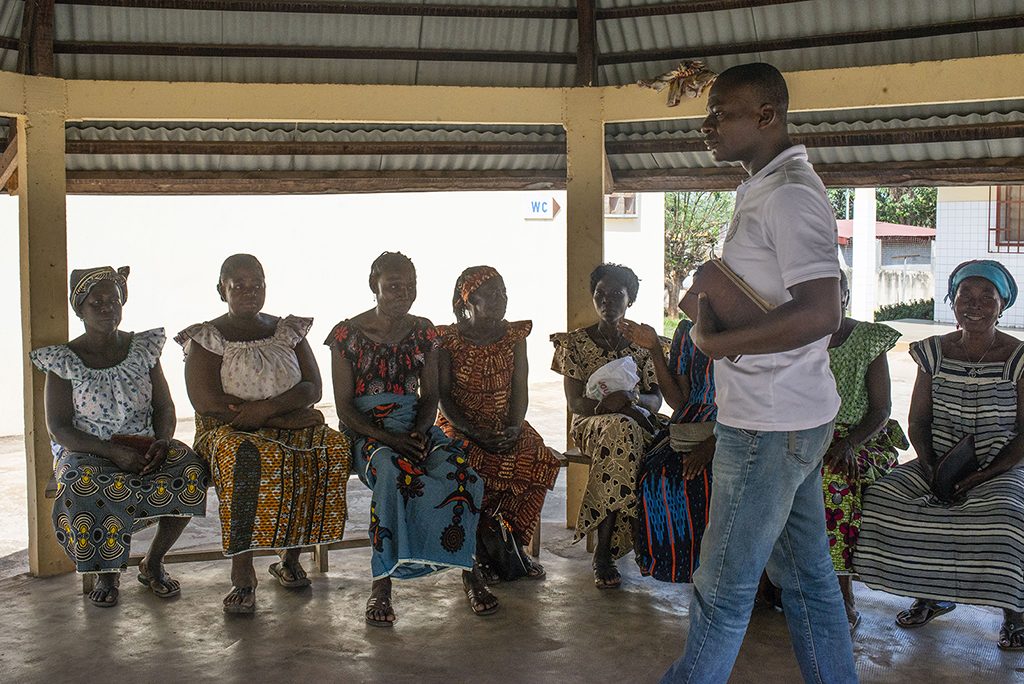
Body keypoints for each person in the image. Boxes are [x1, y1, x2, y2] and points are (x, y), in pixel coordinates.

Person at [660, 63, 856, 684]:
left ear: (767, 115)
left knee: (722, 587)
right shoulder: (765, 188)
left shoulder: (791, 194)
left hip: (769, 426)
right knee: (805, 580)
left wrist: (716, 340)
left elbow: (823, 312)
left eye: (721, 112)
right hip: (788, 415)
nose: (707, 125)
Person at [855, 260, 1024, 651]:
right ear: (952, 302)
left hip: (1001, 465)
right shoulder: (933, 352)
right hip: (938, 460)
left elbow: (1023, 435)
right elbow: (917, 421)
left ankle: (1014, 612)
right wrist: (933, 468)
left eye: (987, 298)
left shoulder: (1018, 358)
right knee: (884, 498)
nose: (975, 305)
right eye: (966, 296)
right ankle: (933, 593)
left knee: (1007, 519)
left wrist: (978, 477)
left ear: (1003, 305)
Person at [178, 254, 350, 614]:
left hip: (285, 420)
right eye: (237, 284)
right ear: (220, 289)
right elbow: (206, 400)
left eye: (256, 283)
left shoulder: (286, 330)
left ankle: (289, 558)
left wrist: (270, 412)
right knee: (244, 458)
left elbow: (312, 387)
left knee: (328, 448)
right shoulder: (207, 337)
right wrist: (274, 419)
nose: (249, 291)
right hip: (227, 429)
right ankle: (243, 573)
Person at [327, 251, 488, 627]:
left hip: (414, 425)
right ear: (374, 287)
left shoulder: (424, 331)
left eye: (410, 286)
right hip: (368, 433)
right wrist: (389, 439)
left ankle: (468, 570)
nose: (403, 293)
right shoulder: (345, 335)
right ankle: (381, 585)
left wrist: (418, 432)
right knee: (392, 474)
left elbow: (430, 394)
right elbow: (345, 409)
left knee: (461, 472)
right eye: (394, 286)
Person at [30, 266, 207, 608]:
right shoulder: (65, 361)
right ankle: (107, 572)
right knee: (82, 485)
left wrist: (163, 441)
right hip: (88, 451)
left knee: (188, 471)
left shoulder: (142, 349)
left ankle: (153, 562)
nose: (107, 307)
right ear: (79, 307)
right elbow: (60, 427)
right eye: (97, 301)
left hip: (144, 445)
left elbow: (164, 407)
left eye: (114, 299)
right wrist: (111, 452)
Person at [436, 266, 560, 580]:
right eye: (491, 294)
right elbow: (443, 398)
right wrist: (473, 432)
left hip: (504, 423)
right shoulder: (447, 340)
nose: (500, 299)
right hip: (459, 424)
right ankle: (478, 553)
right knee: (468, 462)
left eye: (503, 292)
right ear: (469, 299)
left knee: (537, 457)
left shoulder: (514, 337)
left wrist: (515, 427)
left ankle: (512, 545)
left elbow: (520, 388)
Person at [551, 263, 662, 590]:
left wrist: (630, 401)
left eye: (617, 295)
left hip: (637, 420)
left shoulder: (642, 344)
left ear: (632, 299)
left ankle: (607, 550)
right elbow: (576, 404)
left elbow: (656, 399)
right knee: (619, 431)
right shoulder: (575, 344)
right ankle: (616, 547)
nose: (607, 301)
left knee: (628, 432)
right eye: (601, 294)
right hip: (591, 423)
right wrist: (613, 406)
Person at [820, 271, 907, 630]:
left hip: (860, 437)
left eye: (833, 290)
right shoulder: (798, 338)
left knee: (833, 479)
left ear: (846, 294)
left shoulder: (867, 339)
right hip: (809, 432)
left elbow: (880, 410)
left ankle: (843, 596)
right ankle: (773, 585)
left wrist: (849, 442)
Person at [621, 317, 715, 584]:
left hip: (736, 425)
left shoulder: (743, 329)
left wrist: (713, 444)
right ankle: (673, 566)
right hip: (691, 423)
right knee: (657, 476)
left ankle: (715, 573)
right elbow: (678, 401)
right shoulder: (687, 331)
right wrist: (654, 350)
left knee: (708, 481)